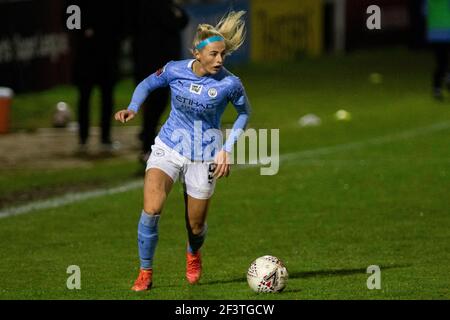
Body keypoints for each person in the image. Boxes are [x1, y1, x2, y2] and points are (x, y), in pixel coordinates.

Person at [114, 11, 251, 291]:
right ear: (197, 53)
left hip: (204, 156)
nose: (220, 60)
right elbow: (147, 83)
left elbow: (243, 114)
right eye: (213, 54)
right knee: (151, 209)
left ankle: (193, 253)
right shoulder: (175, 69)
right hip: (169, 147)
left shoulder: (230, 83)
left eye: (223, 54)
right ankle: (145, 272)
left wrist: (225, 149)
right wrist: (133, 107)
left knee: (196, 226)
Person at [131, 0, 189, 164]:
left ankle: (148, 140)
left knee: (158, 103)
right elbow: (173, 21)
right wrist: (175, 14)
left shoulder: (167, 5)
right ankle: (147, 147)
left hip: (163, 64)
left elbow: (183, 20)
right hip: (153, 62)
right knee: (156, 103)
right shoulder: (153, 5)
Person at [69, 0, 123, 152]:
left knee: (107, 97)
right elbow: (68, 18)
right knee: (85, 97)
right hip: (85, 56)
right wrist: (82, 31)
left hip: (107, 54)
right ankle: (83, 138)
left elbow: (122, 20)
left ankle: (105, 138)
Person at [425, 0, 450, 100]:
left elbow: (424, 13)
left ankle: (437, 88)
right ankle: (447, 79)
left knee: (441, 63)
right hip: (447, 33)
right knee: (443, 63)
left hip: (434, 34)